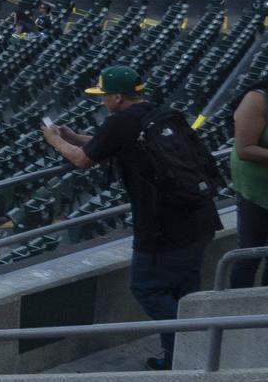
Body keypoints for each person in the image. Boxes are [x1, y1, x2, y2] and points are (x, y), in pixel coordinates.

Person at [42, 66, 222, 369]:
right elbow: (111, 143)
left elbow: (81, 160)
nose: (102, 101)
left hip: (164, 226)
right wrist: (75, 136)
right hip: (200, 216)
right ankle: (177, 357)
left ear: (116, 97)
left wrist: (55, 140)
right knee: (184, 291)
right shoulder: (158, 112)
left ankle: (191, 342)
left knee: (147, 288)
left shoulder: (120, 122)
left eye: (103, 96)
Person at [232, 84, 268, 286]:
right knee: (249, 254)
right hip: (256, 188)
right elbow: (245, 149)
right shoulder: (258, 98)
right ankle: (237, 310)